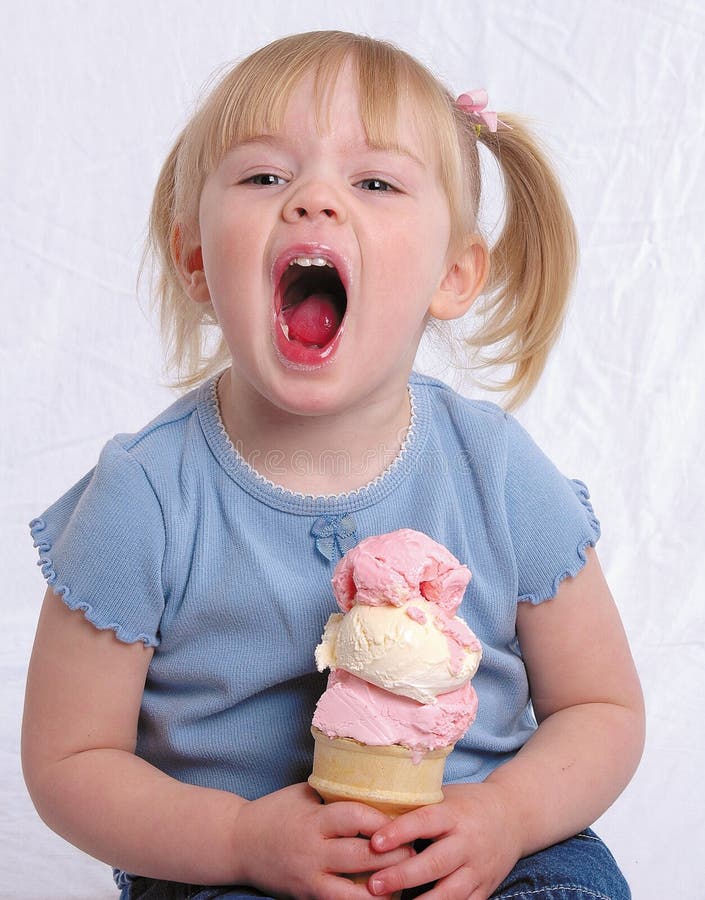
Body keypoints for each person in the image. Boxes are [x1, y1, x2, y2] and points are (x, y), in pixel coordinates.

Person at [22, 30, 644, 900]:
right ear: (197, 260)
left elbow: (600, 709)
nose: (312, 201)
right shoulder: (144, 498)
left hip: (495, 854)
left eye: (375, 183)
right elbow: (68, 761)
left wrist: (506, 814)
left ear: (453, 274)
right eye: (264, 177)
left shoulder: (495, 469)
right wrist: (239, 840)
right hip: (231, 870)